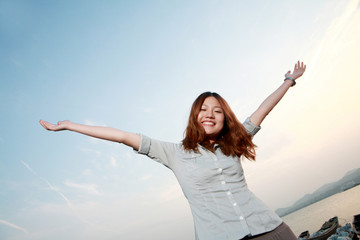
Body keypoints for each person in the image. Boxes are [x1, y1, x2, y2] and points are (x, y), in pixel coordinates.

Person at [40, 61, 306, 240]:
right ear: (195, 116)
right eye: (203, 109)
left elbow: (263, 109)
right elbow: (122, 136)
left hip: (270, 229)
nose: (210, 115)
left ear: (225, 117)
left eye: (217, 111)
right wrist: (71, 126)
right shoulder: (174, 153)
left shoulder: (234, 143)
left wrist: (289, 80)